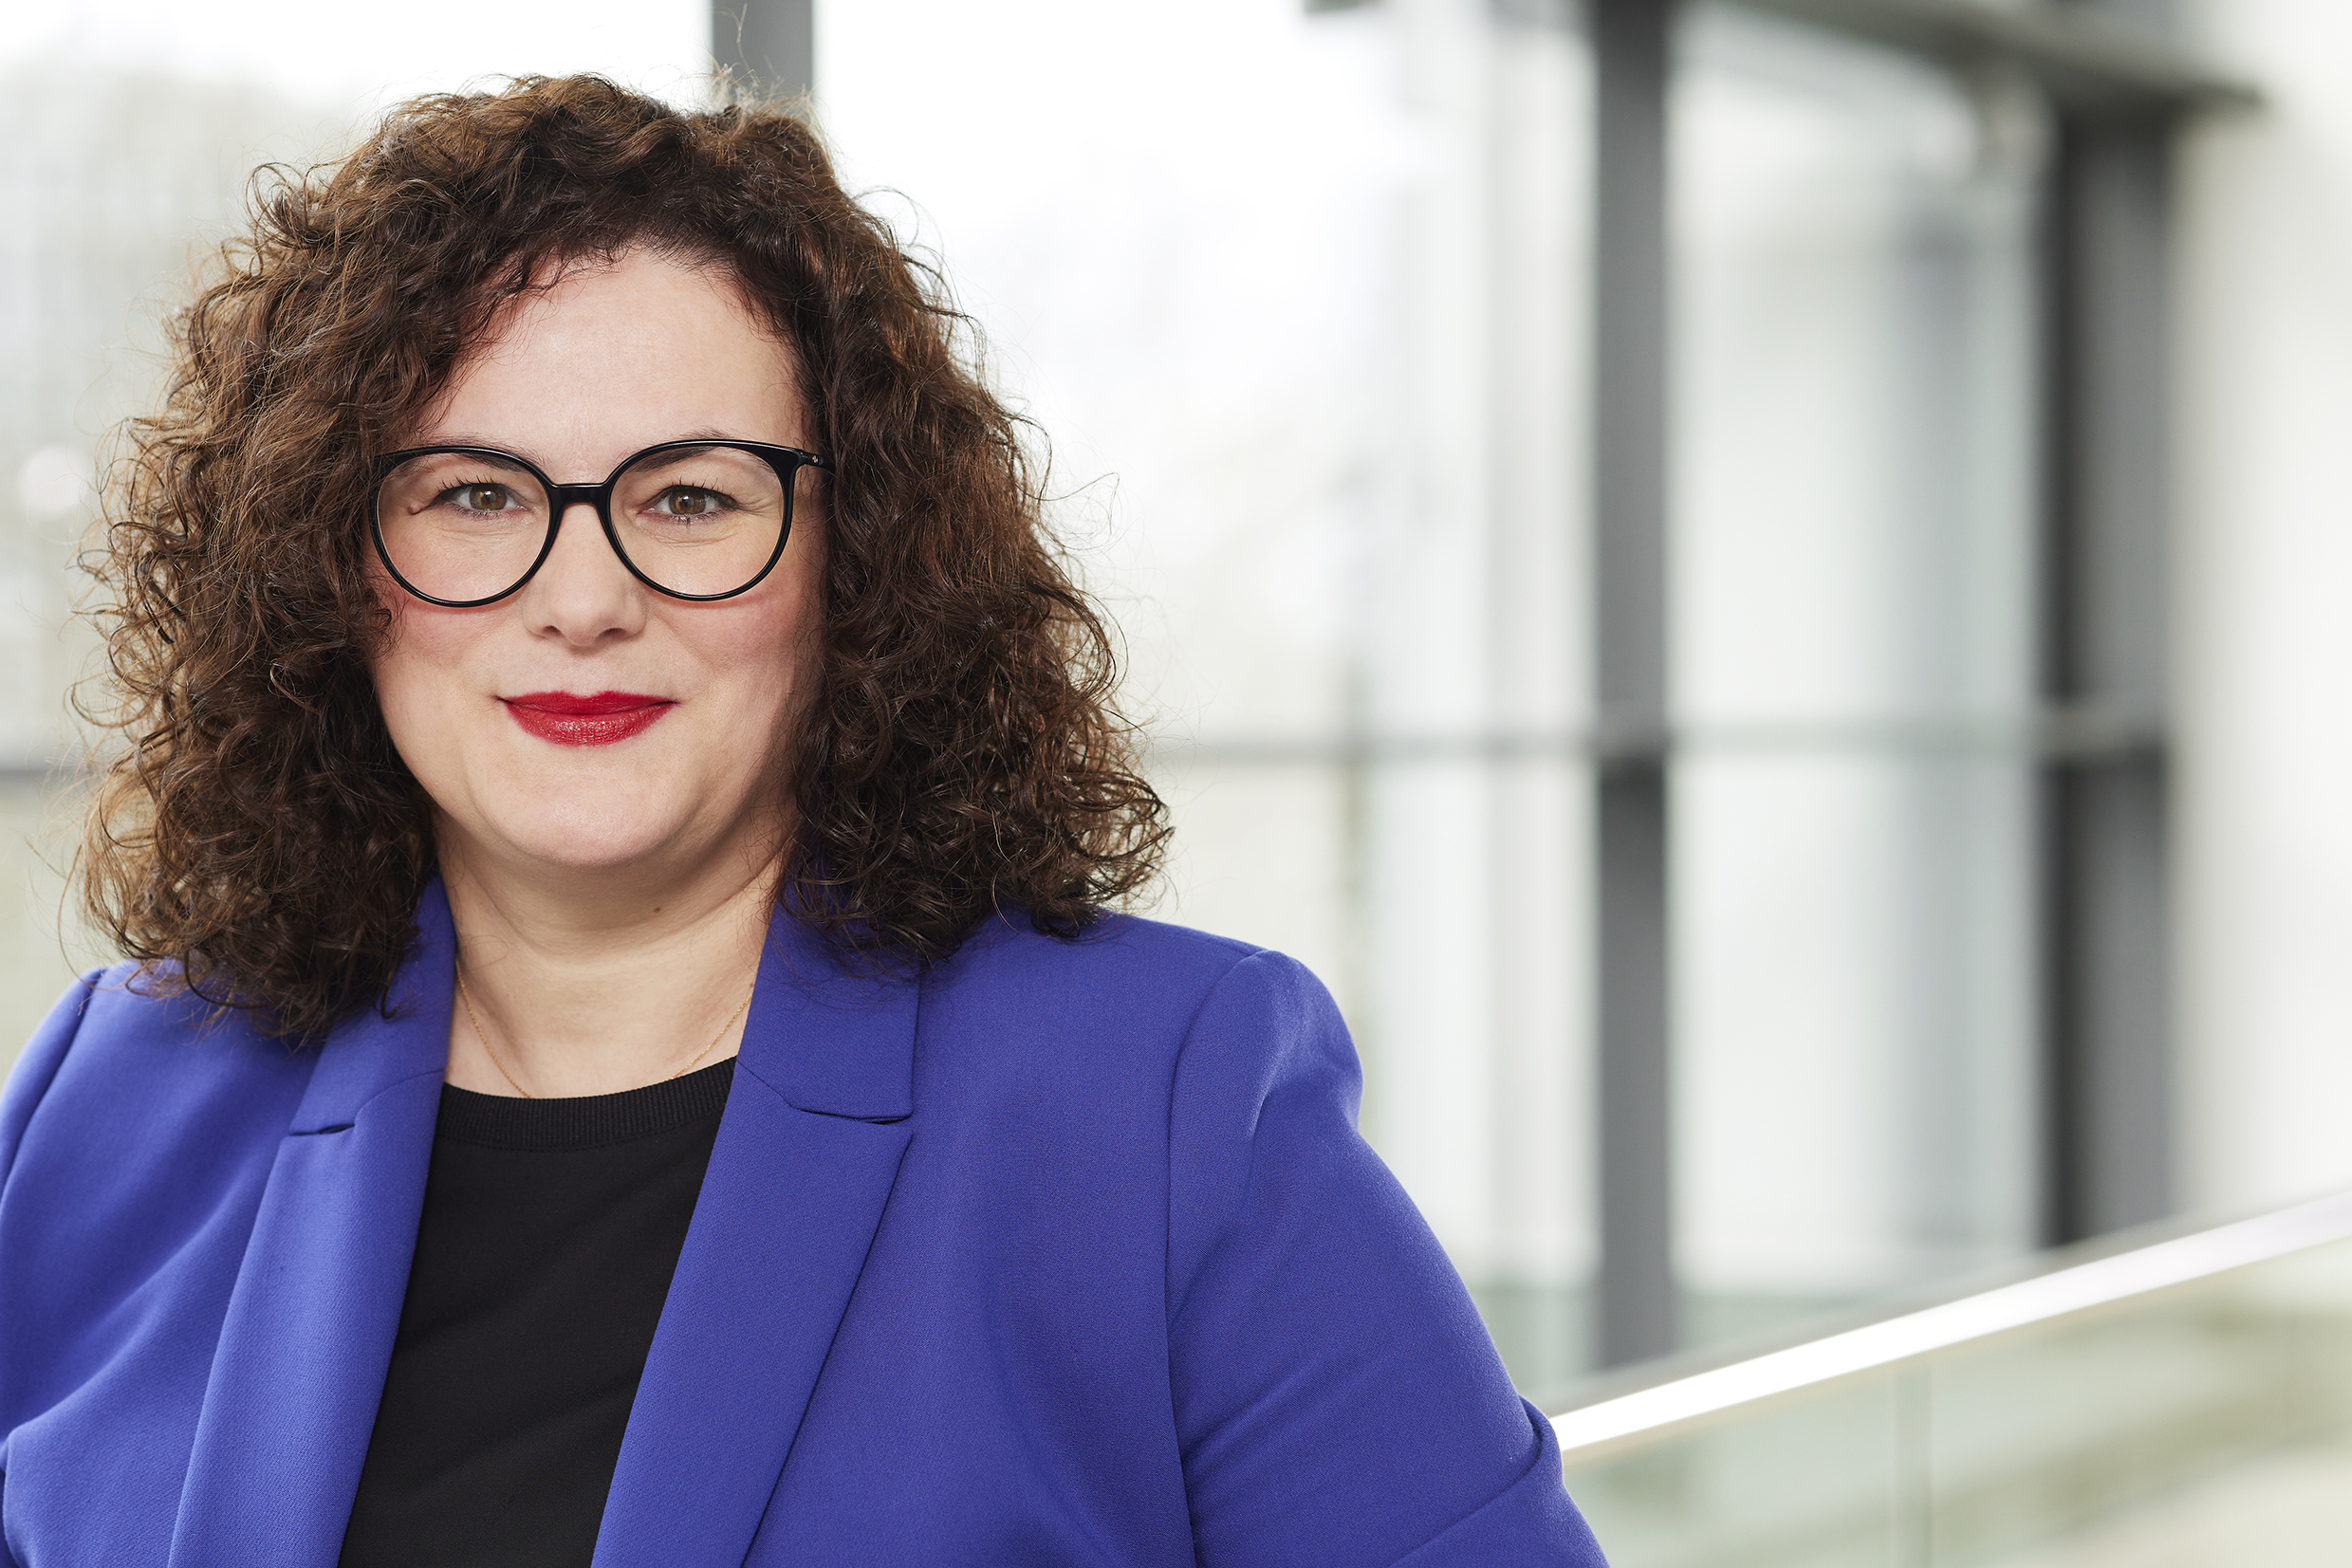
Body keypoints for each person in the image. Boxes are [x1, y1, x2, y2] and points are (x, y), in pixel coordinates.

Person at [0, 76, 1607, 1567]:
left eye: (692, 498)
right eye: (474, 494)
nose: (583, 599)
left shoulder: (1165, 1109)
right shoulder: (115, 1095)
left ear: (859, 561)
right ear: (328, 564)